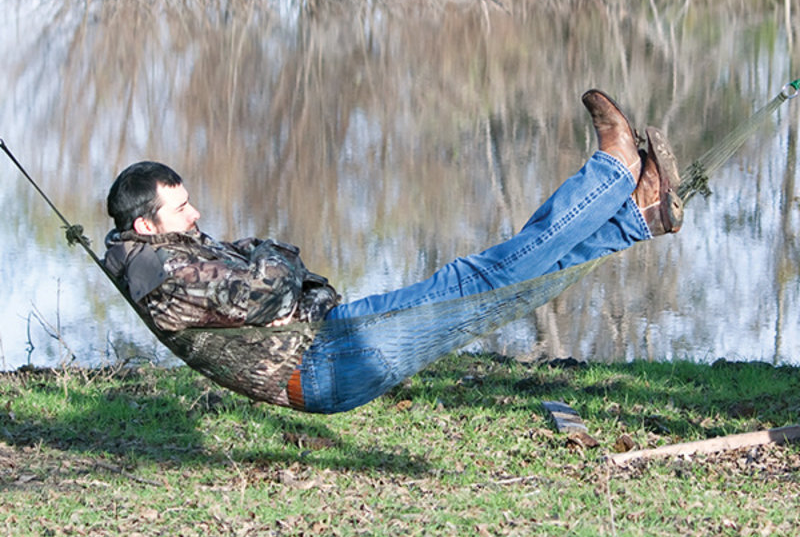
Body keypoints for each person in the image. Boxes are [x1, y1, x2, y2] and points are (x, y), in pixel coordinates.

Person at [103, 90, 683, 413]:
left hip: (328, 352)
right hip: (323, 362)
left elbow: (263, 274)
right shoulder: (162, 270)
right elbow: (267, 282)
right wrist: (275, 255)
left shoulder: (163, 255)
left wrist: (270, 261)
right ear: (146, 224)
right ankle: (613, 171)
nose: (196, 214)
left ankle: (638, 216)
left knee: (490, 295)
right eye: (181, 210)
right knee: (474, 281)